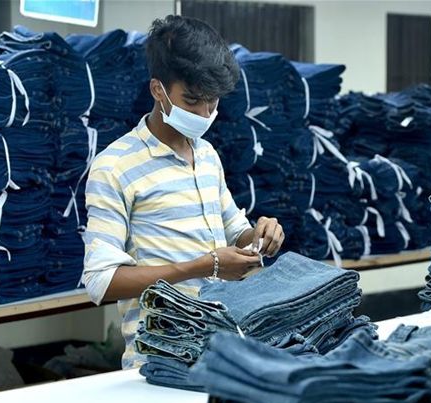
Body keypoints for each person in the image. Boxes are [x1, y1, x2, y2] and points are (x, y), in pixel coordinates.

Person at [82, 15, 285, 368]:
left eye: (213, 102)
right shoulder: (115, 166)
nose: (205, 113)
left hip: (222, 347)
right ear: (157, 90)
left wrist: (261, 234)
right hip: (161, 357)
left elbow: (235, 231)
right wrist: (202, 266)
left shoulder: (206, 155)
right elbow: (101, 280)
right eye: (192, 101)